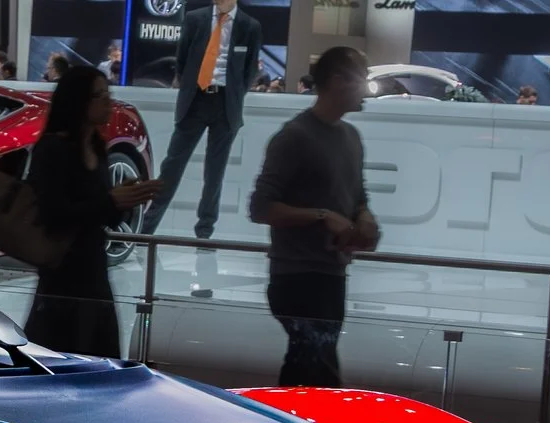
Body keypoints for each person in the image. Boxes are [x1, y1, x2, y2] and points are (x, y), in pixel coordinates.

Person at [249, 46, 378, 387]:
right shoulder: (294, 137)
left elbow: (357, 195)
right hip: (297, 276)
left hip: (329, 274)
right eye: (362, 80)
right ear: (337, 81)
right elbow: (260, 207)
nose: (367, 89)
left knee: (309, 368)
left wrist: (363, 217)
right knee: (315, 371)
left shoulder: (350, 137)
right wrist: (322, 216)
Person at [23, 66, 163, 357]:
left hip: (94, 272)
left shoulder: (97, 147)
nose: (108, 102)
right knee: (61, 357)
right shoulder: (52, 150)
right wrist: (111, 201)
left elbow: (100, 216)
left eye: (108, 94)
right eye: (100, 95)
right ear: (79, 101)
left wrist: (124, 200)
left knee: (99, 354)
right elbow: (53, 213)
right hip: (62, 274)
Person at [146, 0, 261, 241]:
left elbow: (249, 71)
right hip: (195, 100)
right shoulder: (195, 19)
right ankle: (147, 227)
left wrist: (234, 95)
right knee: (172, 165)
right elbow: (182, 60)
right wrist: (192, 86)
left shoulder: (249, 26)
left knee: (215, 171)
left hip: (226, 104)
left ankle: (205, 231)